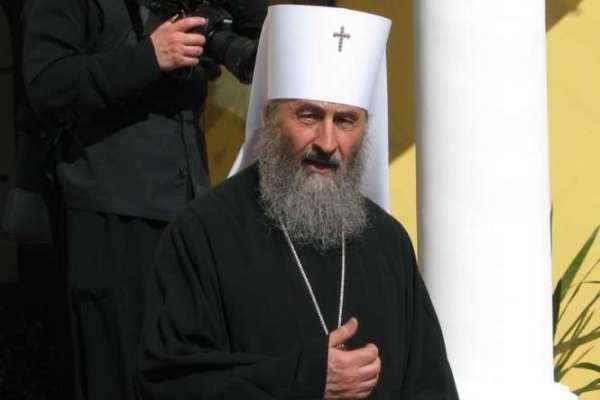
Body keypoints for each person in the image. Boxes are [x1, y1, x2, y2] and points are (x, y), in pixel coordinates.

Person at [137, 5, 458, 400]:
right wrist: (302, 378)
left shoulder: (387, 242)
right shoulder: (204, 231)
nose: (327, 142)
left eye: (346, 121)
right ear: (269, 117)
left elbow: (430, 385)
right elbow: (168, 383)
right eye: (309, 116)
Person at [21, 0, 266, 399]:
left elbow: (260, 29)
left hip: (189, 206)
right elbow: (47, 84)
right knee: (122, 374)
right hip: (113, 214)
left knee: (191, 369)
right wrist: (150, 56)